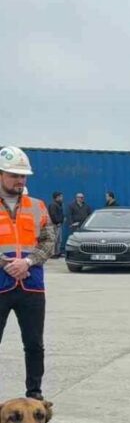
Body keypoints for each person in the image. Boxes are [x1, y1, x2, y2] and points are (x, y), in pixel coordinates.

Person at [0, 147, 54, 400]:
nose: (20, 181)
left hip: (31, 285)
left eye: (23, 176)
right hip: (1, 283)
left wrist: (29, 262)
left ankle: (34, 393)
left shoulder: (37, 206)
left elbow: (48, 241)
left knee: (34, 345)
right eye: (14, 175)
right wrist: (6, 264)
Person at [47, 192, 64, 258]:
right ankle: (52, 254)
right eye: (61, 197)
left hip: (59, 225)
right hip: (55, 225)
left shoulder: (59, 204)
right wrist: (57, 222)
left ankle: (57, 252)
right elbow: (53, 215)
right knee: (54, 239)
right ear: (57, 197)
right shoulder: (53, 205)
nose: (62, 198)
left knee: (59, 240)